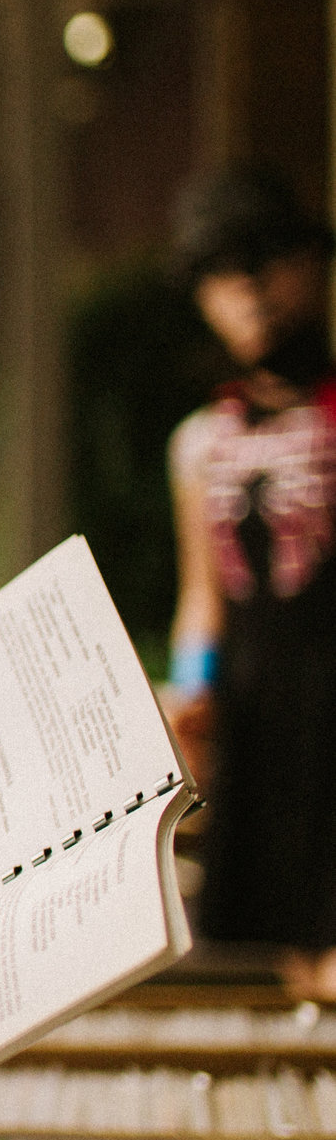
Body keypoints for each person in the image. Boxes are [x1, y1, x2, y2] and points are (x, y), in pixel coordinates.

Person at [164, 163, 336, 1000]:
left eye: (267, 261)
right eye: (223, 275)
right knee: (253, 948)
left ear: (310, 263)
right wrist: (192, 690)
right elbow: (205, 592)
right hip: (255, 712)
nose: (251, 290)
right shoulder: (201, 443)